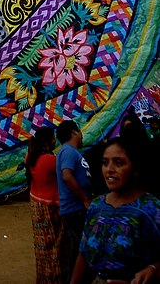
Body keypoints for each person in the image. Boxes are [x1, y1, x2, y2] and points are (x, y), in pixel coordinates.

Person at [70, 137, 160, 283]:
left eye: (119, 163)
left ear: (136, 168)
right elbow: (84, 254)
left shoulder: (150, 209)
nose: (109, 169)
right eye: (105, 163)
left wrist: (154, 269)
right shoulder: (96, 206)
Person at [56, 120, 92, 283]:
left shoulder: (70, 152)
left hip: (75, 208)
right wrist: (84, 197)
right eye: (79, 130)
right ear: (74, 132)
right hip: (75, 208)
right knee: (81, 252)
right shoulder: (69, 152)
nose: (81, 134)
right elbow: (67, 176)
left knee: (78, 251)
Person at [26, 126, 62, 284]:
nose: (55, 141)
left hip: (36, 203)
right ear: (48, 140)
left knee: (42, 246)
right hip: (50, 205)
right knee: (55, 245)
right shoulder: (49, 160)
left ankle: (43, 278)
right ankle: (54, 278)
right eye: (53, 138)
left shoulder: (31, 157)